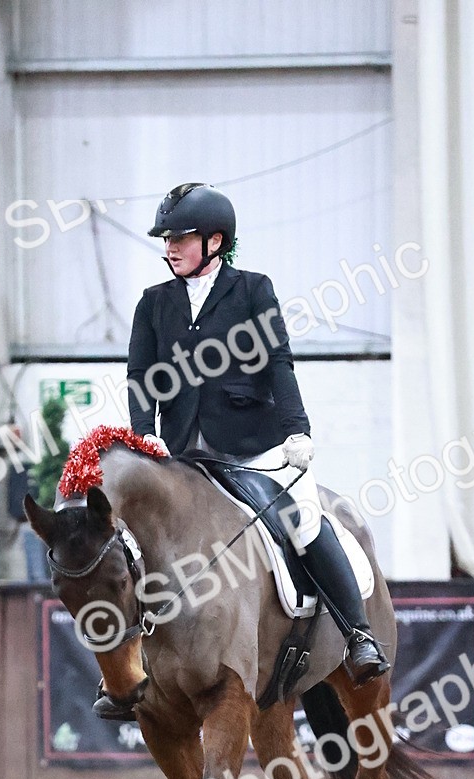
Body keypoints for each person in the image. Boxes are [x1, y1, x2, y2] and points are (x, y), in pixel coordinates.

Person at [126, 181, 390, 686]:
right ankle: (125, 667)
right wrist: (145, 435)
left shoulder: (252, 290)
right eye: (166, 238)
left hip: (255, 446)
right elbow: (141, 376)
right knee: (137, 541)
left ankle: (357, 634)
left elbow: (278, 362)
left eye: (180, 237)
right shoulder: (152, 303)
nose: (169, 247)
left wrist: (297, 430)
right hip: (182, 453)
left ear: (215, 242)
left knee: (306, 521)